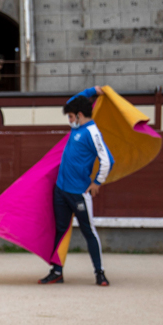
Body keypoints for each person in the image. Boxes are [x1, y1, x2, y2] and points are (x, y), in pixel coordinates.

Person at [40, 86, 112, 286]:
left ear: (80, 115)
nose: (69, 120)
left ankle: (100, 273)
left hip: (79, 194)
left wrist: (97, 181)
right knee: (60, 230)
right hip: (61, 190)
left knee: (89, 231)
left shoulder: (92, 133)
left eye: (71, 116)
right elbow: (74, 100)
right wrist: (93, 90)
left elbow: (107, 160)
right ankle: (57, 271)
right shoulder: (78, 127)